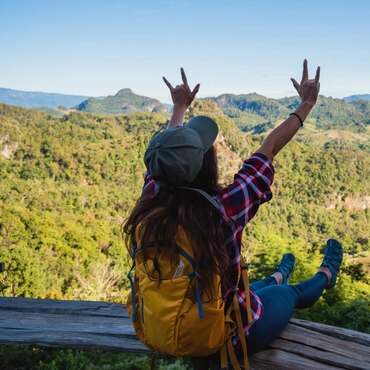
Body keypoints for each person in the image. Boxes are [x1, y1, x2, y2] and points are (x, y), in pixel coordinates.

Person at [123, 60, 343, 369]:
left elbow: (164, 164)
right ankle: (326, 274)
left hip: (161, 323)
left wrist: (178, 109)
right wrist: (305, 105)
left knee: (258, 287)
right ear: (204, 166)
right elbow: (269, 147)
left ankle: (278, 273)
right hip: (227, 333)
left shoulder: (151, 200)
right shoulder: (224, 207)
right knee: (288, 295)